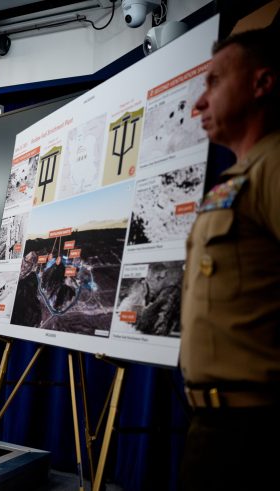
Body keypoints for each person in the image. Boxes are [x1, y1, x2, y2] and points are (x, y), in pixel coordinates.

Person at [179, 27, 279, 491]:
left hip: (254, 431)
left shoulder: (274, 166)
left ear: (262, 83)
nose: (200, 102)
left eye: (215, 81)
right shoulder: (240, 177)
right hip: (218, 426)